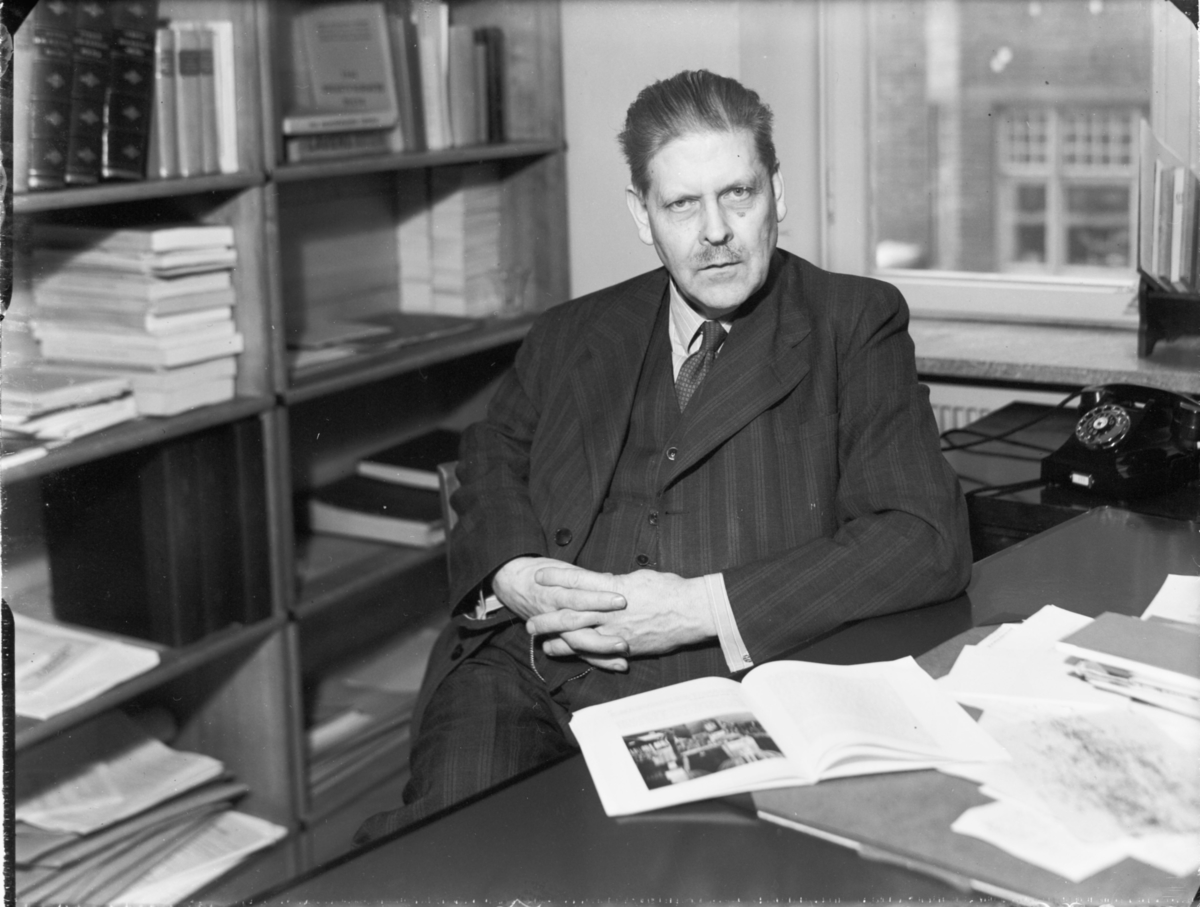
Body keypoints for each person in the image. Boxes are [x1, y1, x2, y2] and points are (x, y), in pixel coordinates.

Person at [355, 69, 970, 843]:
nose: (715, 231)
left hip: (714, 690)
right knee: (444, 855)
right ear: (642, 215)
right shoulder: (572, 331)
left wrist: (692, 608)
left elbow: (923, 537)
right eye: (682, 204)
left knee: (661, 871)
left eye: (738, 194)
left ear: (776, 193)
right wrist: (513, 574)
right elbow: (490, 456)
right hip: (519, 674)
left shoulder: (853, 323)